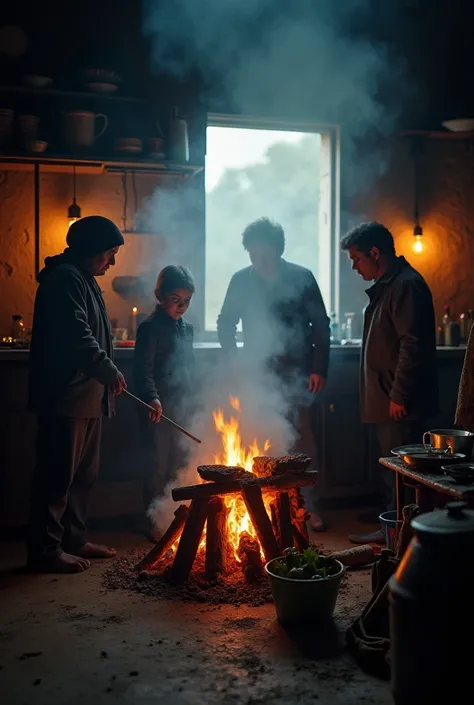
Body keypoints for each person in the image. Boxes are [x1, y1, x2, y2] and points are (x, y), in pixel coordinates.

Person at [217, 217, 330, 531]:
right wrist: (235, 360)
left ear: (279, 252)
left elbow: (321, 326)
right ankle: (271, 508)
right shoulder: (241, 280)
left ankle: (308, 508)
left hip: (299, 372)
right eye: (253, 257)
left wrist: (318, 368)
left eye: (264, 257)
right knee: (263, 438)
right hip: (256, 373)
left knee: (303, 440)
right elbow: (225, 323)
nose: (258, 262)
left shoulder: (302, 277)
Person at [28, 215, 127, 573]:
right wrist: (108, 369)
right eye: (109, 253)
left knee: (83, 476)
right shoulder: (64, 280)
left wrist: (103, 375)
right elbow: (77, 336)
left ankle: (74, 538)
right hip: (66, 396)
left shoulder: (83, 277)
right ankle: (45, 550)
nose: (111, 261)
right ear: (90, 249)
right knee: (57, 477)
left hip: (88, 397)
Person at [341, 221, 438, 544]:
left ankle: (398, 534)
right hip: (387, 397)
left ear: (374, 252)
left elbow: (413, 344)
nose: (354, 266)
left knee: (402, 471)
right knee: (392, 469)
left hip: (398, 401)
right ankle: (392, 521)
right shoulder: (390, 284)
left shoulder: (405, 285)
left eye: (356, 259)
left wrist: (399, 394)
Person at [134, 265, 196, 540]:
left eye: (187, 301)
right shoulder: (149, 328)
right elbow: (142, 371)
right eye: (175, 300)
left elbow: (190, 366)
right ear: (160, 296)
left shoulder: (187, 329)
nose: (182, 306)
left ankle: (173, 517)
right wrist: (152, 398)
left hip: (182, 402)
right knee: (156, 463)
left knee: (177, 461)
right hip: (157, 406)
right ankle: (154, 521)